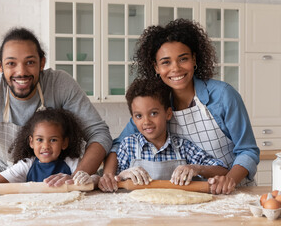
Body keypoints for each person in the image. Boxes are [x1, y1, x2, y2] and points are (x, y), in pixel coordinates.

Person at [0, 27, 112, 187]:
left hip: (58, 179)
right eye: (11, 63)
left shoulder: (60, 84)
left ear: (42, 63)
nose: (21, 72)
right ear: (0, 66)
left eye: (30, 62)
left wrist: (77, 176)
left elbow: (99, 134)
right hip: (2, 177)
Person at [99, 19, 259, 194]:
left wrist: (228, 181)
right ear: (156, 67)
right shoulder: (157, 105)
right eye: (166, 62)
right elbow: (118, 145)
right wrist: (108, 176)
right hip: (192, 194)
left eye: (183, 59)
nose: (175, 68)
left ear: (194, 59)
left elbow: (247, 151)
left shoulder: (223, 95)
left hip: (234, 190)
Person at [0, 108, 98, 194]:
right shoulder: (26, 165)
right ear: (31, 142)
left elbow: (94, 180)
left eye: (53, 140)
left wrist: (89, 178)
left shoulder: (73, 164)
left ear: (64, 143)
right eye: (40, 140)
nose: (45, 146)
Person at [113, 78, 228, 187]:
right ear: (133, 119)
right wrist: (122, 175)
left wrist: (196, 168)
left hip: (178, 207)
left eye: (153, 113)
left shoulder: (183, 147)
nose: (146, 121)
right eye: (139, 116)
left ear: (168, 114)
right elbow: (111, 180)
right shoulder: (128, 146)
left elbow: (222, 170)